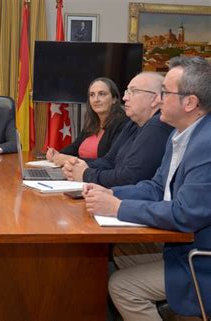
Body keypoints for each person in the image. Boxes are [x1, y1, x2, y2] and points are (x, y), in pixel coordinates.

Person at [83, 56, 211, 320]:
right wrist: (112, 194)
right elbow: (156, 188)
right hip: (183, 248)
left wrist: (118, 208)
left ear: (190, 102)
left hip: (201, 260)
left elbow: (185, 214)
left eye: (165, 93)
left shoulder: (206, 145)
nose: (159, 99)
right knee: (124, 252)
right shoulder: (180, 133)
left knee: (122, 286)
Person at [62, 72, 174, 188]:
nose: (125, 98)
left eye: (133, 92)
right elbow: (109, 160)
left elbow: (130, 177)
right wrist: (77, 166)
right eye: (127, 92)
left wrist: (86, 174)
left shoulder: (157, 126)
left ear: (155, 98)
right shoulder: (133, 123)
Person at [46, 77, 127, 166]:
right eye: (92, 95)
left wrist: (72, 160)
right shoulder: (92, 123)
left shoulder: (122, 124)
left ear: (114, 99)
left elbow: (109, 163)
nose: (96, 99)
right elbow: (74, 148)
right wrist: (57, 154)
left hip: (97, 177)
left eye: (102, 94)